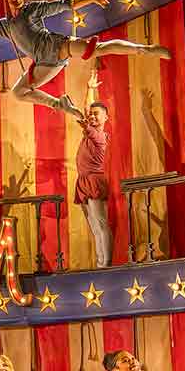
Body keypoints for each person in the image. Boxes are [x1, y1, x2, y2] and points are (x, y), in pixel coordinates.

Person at [0, 0, 169, 114]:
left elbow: (63, 5)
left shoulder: (33, 9)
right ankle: (60, 104)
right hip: (44, 64)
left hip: (57, 47)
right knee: (18, 92)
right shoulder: (4, 26)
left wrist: (91, 0)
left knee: (98, 48)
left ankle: (144, 49)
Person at [69, 76, 113, 267]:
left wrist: (84, 115)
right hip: (83, 181)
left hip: (94, 180)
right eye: (92, 114)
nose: (93, 116)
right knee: (94, 226)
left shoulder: (99, 136)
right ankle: (99, 261)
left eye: (97, 114)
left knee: (101, 223)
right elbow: (86, 113)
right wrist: (90, 89)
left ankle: (106, 263)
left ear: (106, 118)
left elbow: (83, 118)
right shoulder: (91, 131)